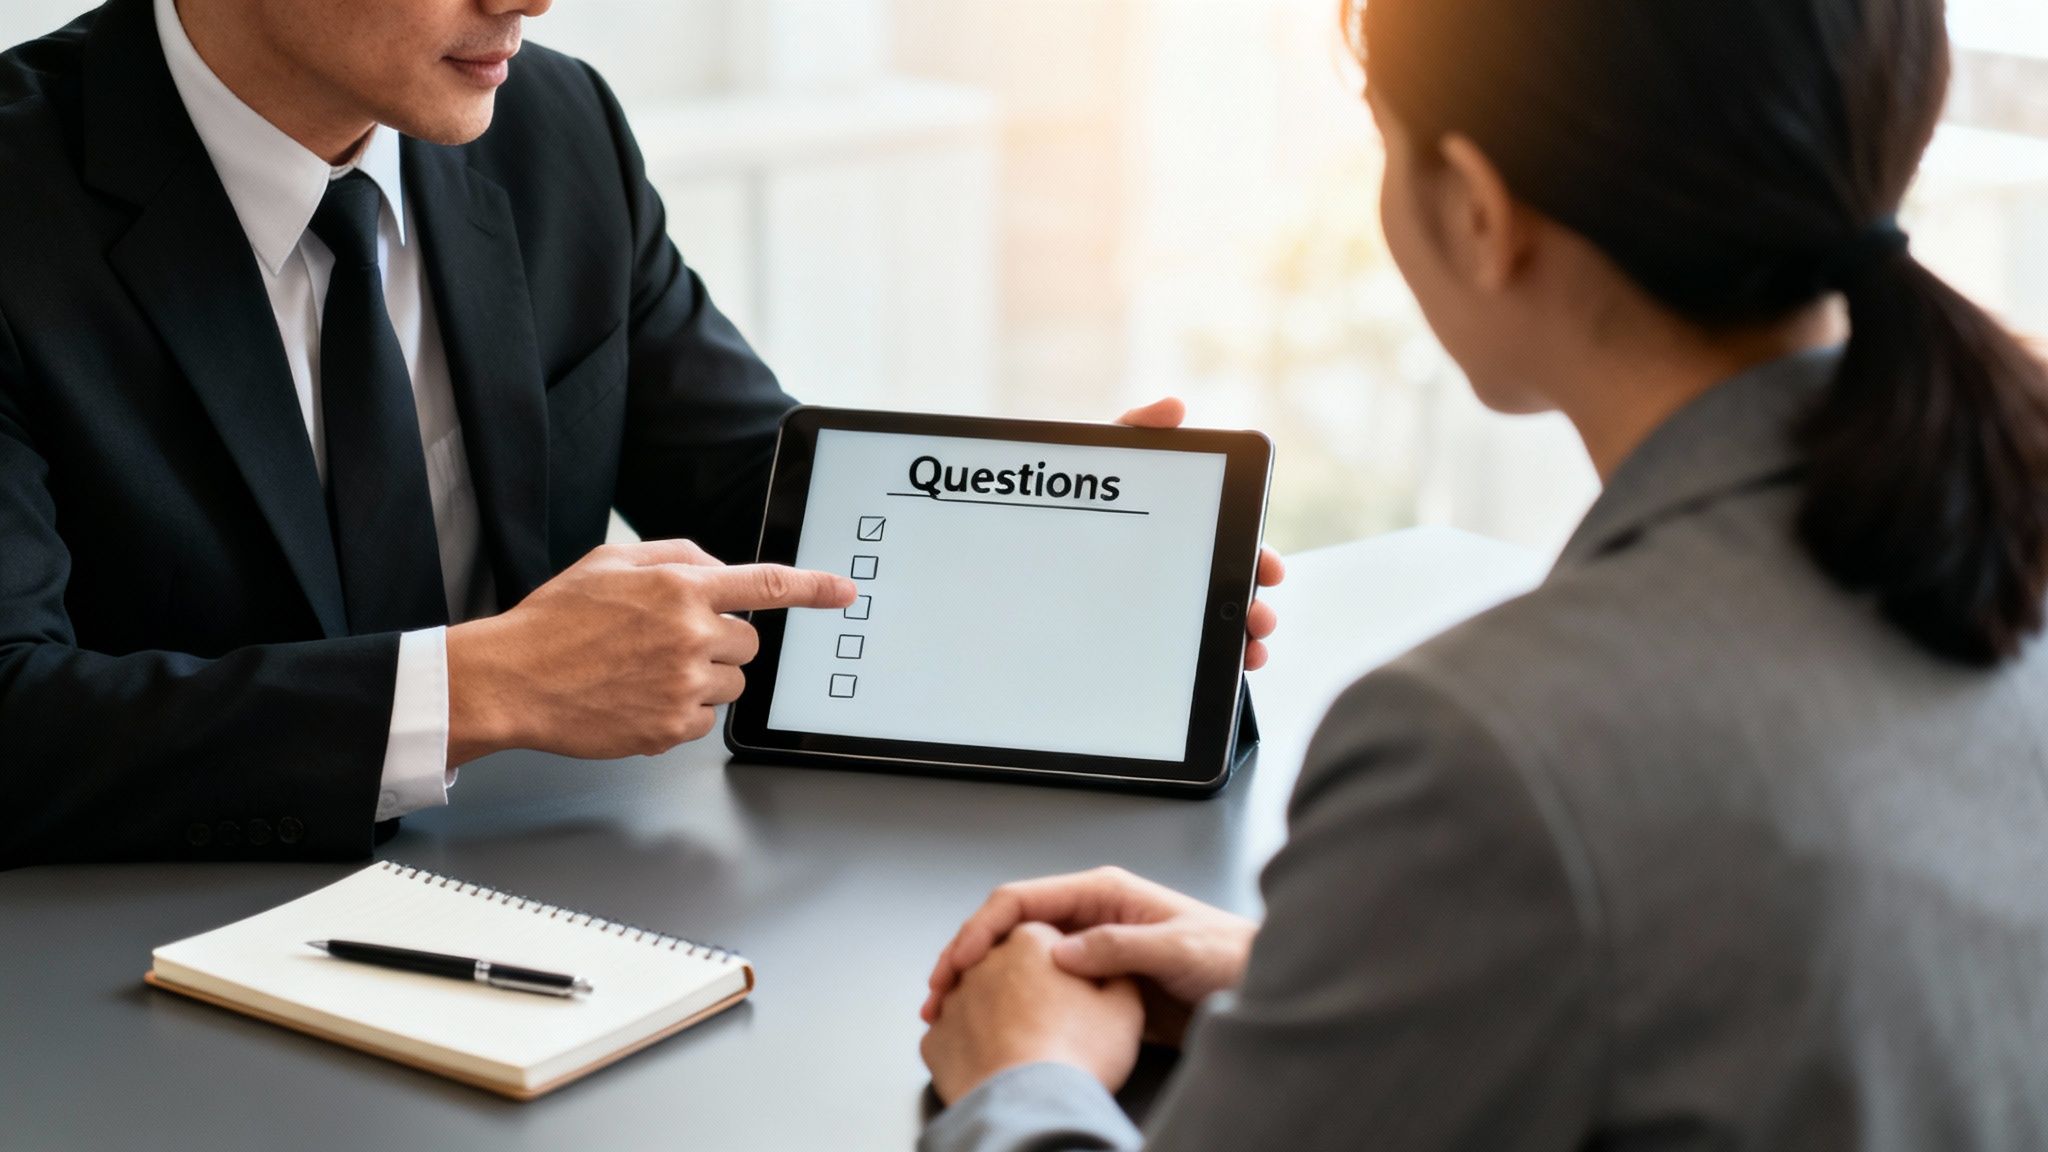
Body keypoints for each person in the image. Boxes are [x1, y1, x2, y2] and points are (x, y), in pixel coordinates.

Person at [916, 0, 2048, 1149]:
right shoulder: (1996, 519)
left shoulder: (1486, 747)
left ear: (1473, 209)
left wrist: (1023, 1078)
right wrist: (1346, 975)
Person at [0, 0, 1285, 869]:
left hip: (541, 922)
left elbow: (753, 491)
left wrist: (1042, 545)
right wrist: (486, 687)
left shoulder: (554, 133)